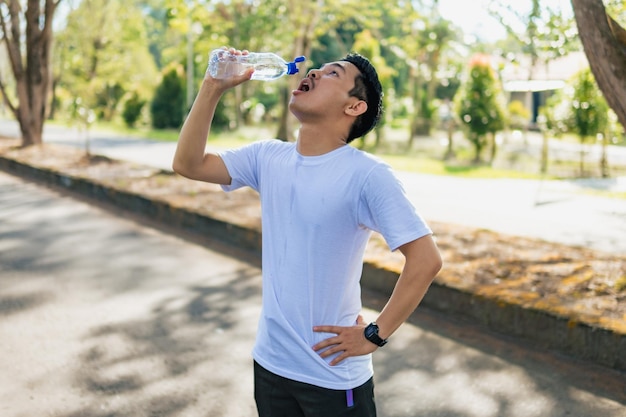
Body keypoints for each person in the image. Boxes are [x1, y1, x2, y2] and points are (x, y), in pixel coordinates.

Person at [173, 48, 443, 417]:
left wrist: (376, 334)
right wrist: (212, 87)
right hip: (270, 364)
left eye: (333, 74)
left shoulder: (367, 175)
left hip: (332, 376)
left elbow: (426, 259)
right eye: (317, 68)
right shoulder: (268, 157)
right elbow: (188, 164)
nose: (314, 71)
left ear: (354, 107)